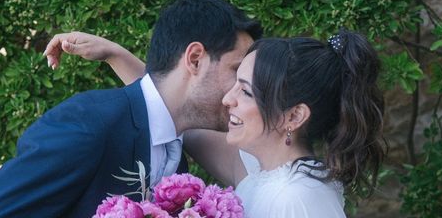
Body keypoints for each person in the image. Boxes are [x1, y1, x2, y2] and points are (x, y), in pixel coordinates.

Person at [0, 0, 262, 218]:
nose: (242, 90)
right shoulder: (89, 125)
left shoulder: (176, 152)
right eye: (236, 71)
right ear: (195, 59)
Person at [56, 28, 385, 217]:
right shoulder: (260, 171)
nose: (228, 100)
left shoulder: (296, 198)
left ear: (294, 116)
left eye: (245, 92)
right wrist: (116, 54)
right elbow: (173, 115)